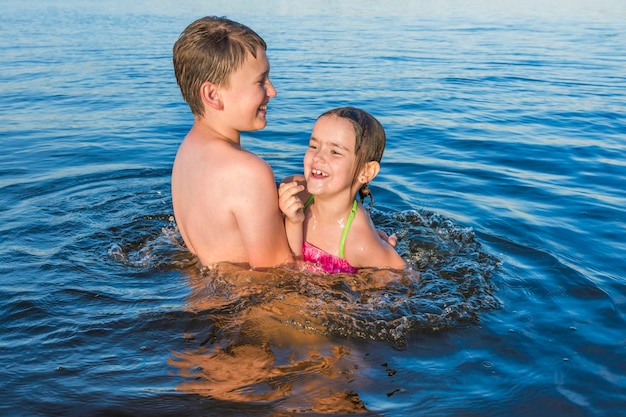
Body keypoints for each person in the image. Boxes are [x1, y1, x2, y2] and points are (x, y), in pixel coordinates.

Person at [171, 16, 293, 269]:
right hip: (244, 306)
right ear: (213, 94)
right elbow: (278, 277)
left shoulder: (187, 151)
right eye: (260, 81)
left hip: (200, 298)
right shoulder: (247, 172)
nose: (272, 91)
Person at [278, 107, 406, 274]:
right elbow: (292, 265)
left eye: (335, 152)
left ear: (365, 172)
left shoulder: (359, 243)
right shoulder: (294, 192)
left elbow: (406, 279)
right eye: (314, 146)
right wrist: (292, 221)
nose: (318, 157)